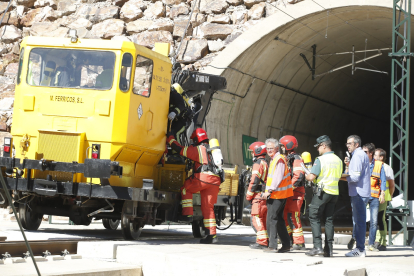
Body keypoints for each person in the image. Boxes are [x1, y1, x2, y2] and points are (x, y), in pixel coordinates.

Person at [167, 128, 221, 244]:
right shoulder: (212, 150)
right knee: (208, 208)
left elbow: (180, 149)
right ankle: (211, 235)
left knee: (186, 188)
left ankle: (187, 215)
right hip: (215, 181)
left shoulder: (198, 149)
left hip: (204, 178)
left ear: (197, 139)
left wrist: (171, 138)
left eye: (193, 140)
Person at [305, 135, 342, 257]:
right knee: (328, 219)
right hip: (334, 193)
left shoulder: (320, 160)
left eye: (319, 146)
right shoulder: (338, 160)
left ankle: (317, 247)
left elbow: (311, 177)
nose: (317, 149)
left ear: (324, 145)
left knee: (313, 215)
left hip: (323, 191)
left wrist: (305, 174)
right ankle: (329, 249)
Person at [262, 137, 294, 253]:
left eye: (271, 148)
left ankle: (272, 246)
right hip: (278, 194)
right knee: (279, 219)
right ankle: (286, 245)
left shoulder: (278, 159)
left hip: (277, 194)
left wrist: (269, 190)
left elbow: (277, 177)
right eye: (268, 148)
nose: (269, 150)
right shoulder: (274, 159)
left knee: (271, 218)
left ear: (276, 148)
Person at [343, 135, 371, 257]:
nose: (348, 145)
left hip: (359, 193)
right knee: (359, 221)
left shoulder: (358, 155)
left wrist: (339, 177)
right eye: (347, 143)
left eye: (350, 143)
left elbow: (354, 177)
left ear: (357, 144)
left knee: (359, 222)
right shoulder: (358, 155)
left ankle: (360, 249)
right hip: (359, 192)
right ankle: (359, 248)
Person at [362, 143, 386, 252]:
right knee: (360, 219)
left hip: (375, 196)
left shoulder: (379, 165)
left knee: (374, 222)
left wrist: (382, 193)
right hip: (363, 195)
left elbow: (383, 180)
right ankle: (359, 242)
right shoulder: (361, 163)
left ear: (370, 153)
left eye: (365, 152)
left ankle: (370, 244)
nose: (362, 154)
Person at [283, 138, 306, 251]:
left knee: (294, 216)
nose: (281, 148)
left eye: (283, 146)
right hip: (289, 192)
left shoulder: (296, 159)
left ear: (288, 146)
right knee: (284, 215)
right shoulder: (288, 159)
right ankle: (290, 238)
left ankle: (299, 242)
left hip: (296, 192)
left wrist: (289, 189)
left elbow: (298, 176)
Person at [245, 142, 269, 249]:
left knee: (256, 218)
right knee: (263, 219)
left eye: (252, 152)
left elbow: (254, 181)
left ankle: (262, 242)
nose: (251, 155)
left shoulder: (257, 164)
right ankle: (266, 240)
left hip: (258, 196)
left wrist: (249, 195)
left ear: (257, 151)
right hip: (265, 196)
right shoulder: (266, 163)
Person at [373, 148, 395, 251]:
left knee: (380, 219)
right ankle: (376, 241)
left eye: (375, 155)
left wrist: (389, 196)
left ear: (381, 157)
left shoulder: (387, 168)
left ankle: (382, 242)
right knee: (374, 220)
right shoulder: (373, 167)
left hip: (382, 198)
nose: (373, 157)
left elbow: (391, 185)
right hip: (373, 196)